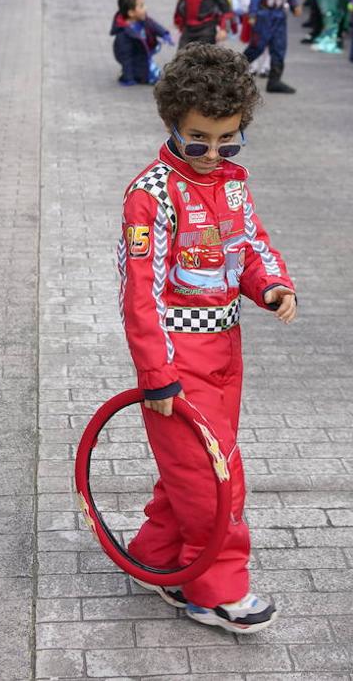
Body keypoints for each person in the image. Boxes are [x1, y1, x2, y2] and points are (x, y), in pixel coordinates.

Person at [118, 42, 296, 633]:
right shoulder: (152, 195)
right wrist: (156, 373)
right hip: (177, 354)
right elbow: (138, 293)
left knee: (191, 469)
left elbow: (250, 246)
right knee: (214, 476)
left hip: (225, 351)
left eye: (227, 140)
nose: (211, 154)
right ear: (171, 123)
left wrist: (271, 286)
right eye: (197, 140)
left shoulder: (234, 183)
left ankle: (156, 558)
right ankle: (215, 589)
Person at [111, 0, 171, 86]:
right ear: (131, 13)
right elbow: (126, 57)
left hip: (143, 55)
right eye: (141, 6)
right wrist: (128, 79)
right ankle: (127, 75)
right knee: (150, 76)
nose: (145, 8)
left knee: (154, 73)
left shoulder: (141, 20)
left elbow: (152, 25)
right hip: (137, 60)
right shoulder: (123, 35)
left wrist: (164, 33)